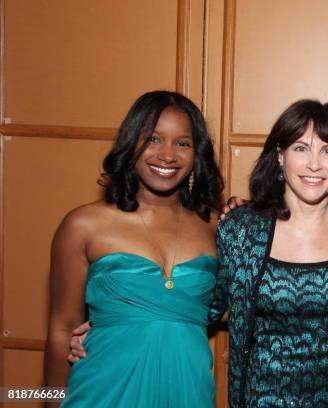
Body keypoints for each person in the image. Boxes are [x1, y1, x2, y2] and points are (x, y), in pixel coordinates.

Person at [44, 90, 224, 407]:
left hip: (188, 392)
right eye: (153, 140)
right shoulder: (84, 224)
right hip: (101, 391)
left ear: (198, 154)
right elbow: (62, 330)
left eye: (183, 143)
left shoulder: (216, 226)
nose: (167, 155)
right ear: (131, 145)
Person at [209, 99, 328, 407]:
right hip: (262, 399)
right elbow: (202, 305)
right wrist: (118, 318)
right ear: (280, 155)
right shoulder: (241, 229)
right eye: (300, 148)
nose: (314, 164)